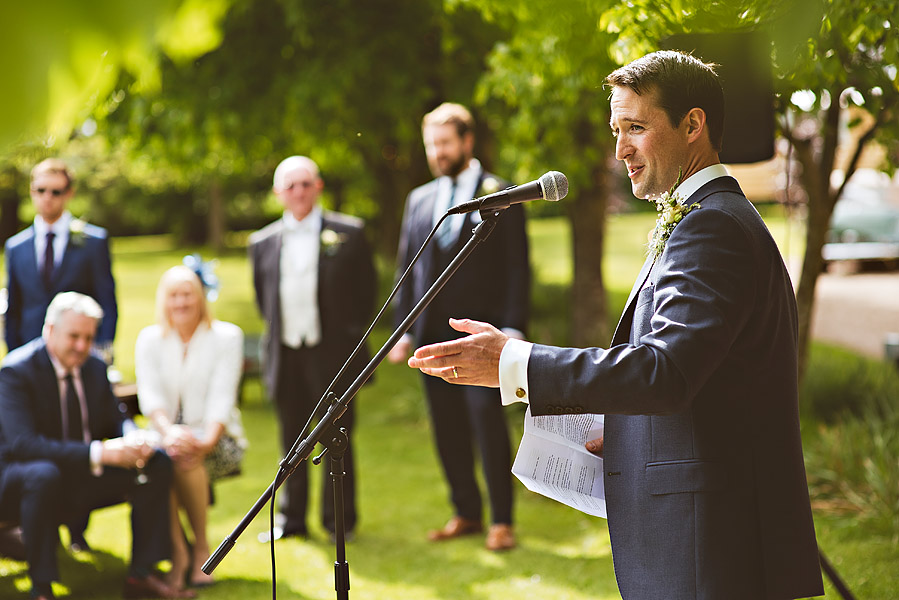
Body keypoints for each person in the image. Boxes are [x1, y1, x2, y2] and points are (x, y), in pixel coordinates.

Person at [407, 51, 825, 599]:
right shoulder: (704, 219)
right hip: (703, 530)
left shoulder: (712, 228)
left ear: (693, 125)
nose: (619, 150)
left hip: (709, 542)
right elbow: (705, 377)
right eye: (615, 130)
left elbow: (666, 369)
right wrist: (627, 435)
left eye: (635, 128)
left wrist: (514, 359)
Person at [387, 102, 530, 551]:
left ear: (468, 142)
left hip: (482, 336)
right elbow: (407, 269)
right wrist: (402, 329)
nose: (438, 152)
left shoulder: (502, 194)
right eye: (432, 144)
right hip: (430, 335)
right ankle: (465, 511)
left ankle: (502, 520)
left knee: (486, 423)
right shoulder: (420, 199)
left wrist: (513, 327)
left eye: (445, 142)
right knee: (445, 425)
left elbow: (516, 268)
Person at [0, 292, 193, 600]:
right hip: (18, 480)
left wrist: (133, 438)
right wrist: (100, 452)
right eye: (74, 336)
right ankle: (43, 588)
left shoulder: (93, 367)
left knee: (156, 461)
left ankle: (142, 574)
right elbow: (24, 445)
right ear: (49, 330)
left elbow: (115, 417)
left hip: (79, 474)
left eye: (88, 337)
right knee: (42, 474)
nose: (81, 345)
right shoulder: (15, 371)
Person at [249, 155, 376, 541]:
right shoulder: (262, 242)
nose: (299, 192)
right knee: (291, 440)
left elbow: (366, 294)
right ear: (278, 193)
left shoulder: (349, 233)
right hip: (286, 354)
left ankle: (340, 521)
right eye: (291, 185)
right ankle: (292, 520)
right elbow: (262, 300)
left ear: (318, 187)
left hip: (334, 355)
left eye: (306, 184)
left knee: (338, 439)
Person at [135, 265, 247, 590]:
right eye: (173, 295)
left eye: (187, 294)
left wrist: (205, 441)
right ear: (163, 300)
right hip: (165, 436)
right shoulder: (150, 339)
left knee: (184, 460)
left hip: (217, 438)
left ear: (200, 298)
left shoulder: (226, 336)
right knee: (163, 461)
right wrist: (169, 432)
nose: (181, 302)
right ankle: (179, 552)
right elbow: (151, 395)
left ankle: (199, 548)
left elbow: (222, 396)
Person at [4, 158, 118, 356]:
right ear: (32, 191)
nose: (47, 197)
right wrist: (15, 357)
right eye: (41, 190)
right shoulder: (15, 247)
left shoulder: (93, 242)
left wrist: (99, 351)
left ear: (69, 193)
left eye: (55, 191)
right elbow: (13, 309)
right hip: (30, 354)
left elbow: (107, 302)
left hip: (80, 353)